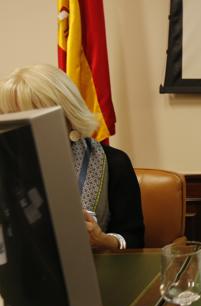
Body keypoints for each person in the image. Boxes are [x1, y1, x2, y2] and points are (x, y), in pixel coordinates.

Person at [0, 64, 144, 250]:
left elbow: (135, 240)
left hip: (95, 273)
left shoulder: (114, 163)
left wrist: (102, 240)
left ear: (68, 116)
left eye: (33, 118)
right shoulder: (5, 164)